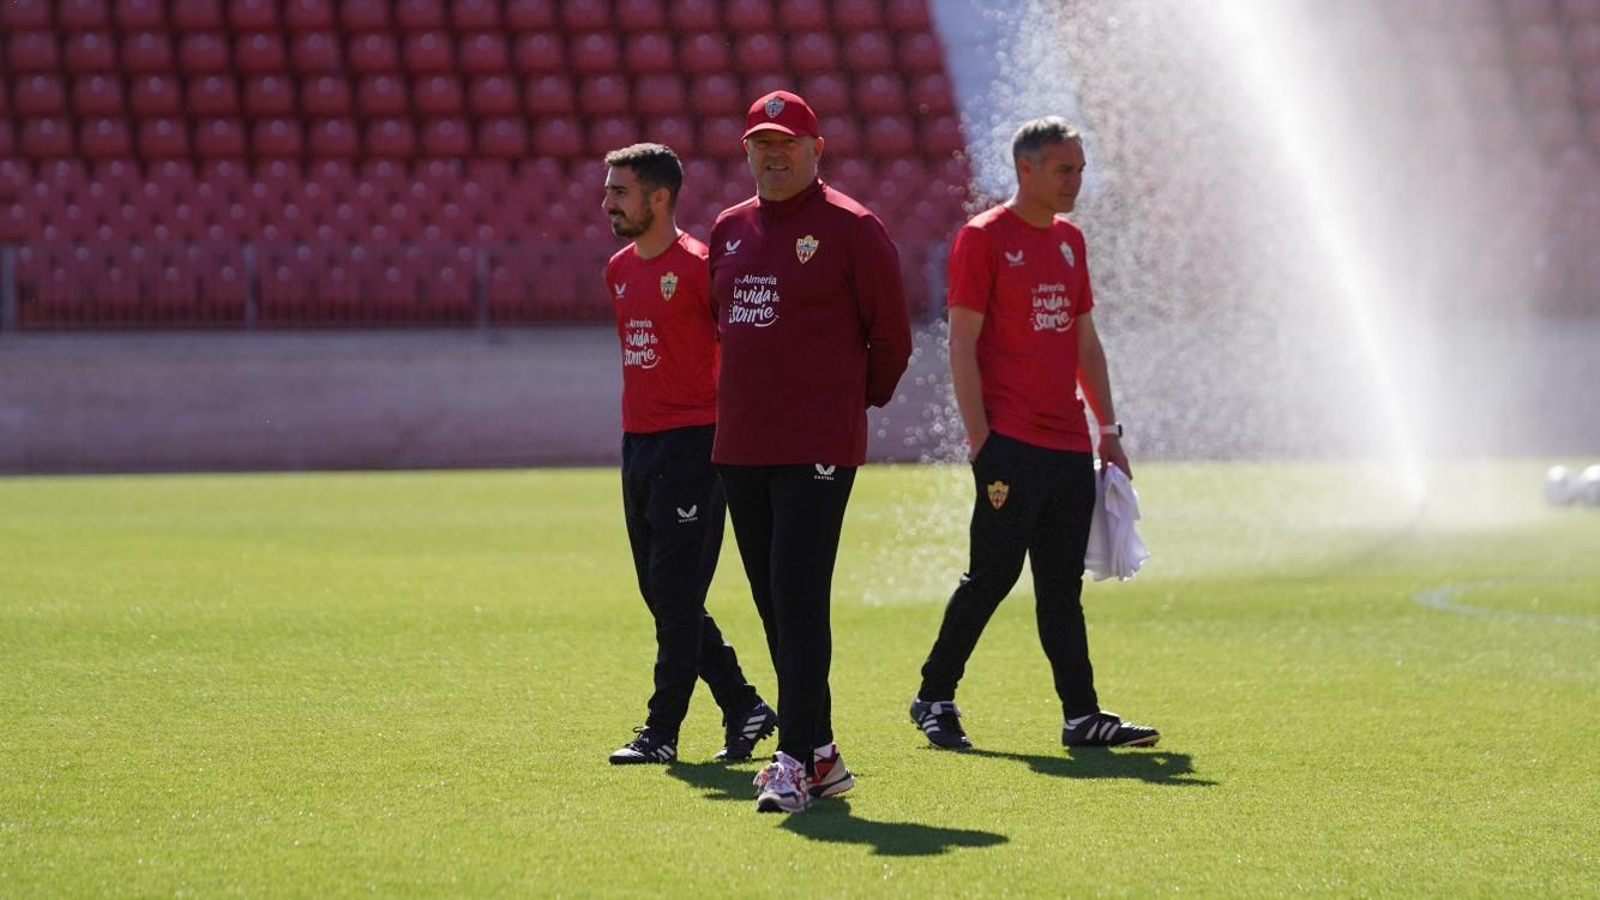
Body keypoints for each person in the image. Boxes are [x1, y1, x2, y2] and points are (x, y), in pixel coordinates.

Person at [909, 117, 1160, 753]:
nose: (1076, 180)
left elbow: (1084, 342)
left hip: (1068, 445)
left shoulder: (1071, 241)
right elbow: (961, 344)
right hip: (1010, 444)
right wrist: (980, 442)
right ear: (1027, 169)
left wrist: (1107, 429)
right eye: (1064, 169)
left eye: (1079, 168)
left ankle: (1082, 715)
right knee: (990, 577)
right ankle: (934, 695)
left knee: (1060, 588)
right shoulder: (984, 238)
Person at [709, 91, 913, 812]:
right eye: (761, 142)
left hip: (817, 445)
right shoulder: (730, 230)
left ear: (816, 149)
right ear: (746, 152)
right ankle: (821, 752)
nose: (773, 153)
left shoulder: (854, 228)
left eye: (788, 142)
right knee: (772, 603)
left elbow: (892, 339)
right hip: (740, 445)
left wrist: (847, 407)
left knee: (797, 597)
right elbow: (721, 330)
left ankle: (791, 760)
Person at [599, 142, 777, 766]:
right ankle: (743, 704)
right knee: (662, 594)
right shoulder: (619, 269)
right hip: (638, 444)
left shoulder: (702, 265)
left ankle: (662, 732)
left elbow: (740, 355)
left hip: (697, 446)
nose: (607, 202)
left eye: (619, 191)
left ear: (659, 197)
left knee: (674, 597)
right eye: (609, 189)